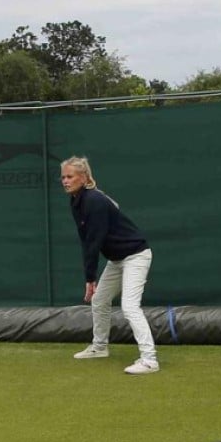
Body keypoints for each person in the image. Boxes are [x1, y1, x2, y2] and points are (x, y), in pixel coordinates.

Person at [60, 156, 159, 375]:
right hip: (117, 260)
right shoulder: (76, 201)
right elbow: (86, 240)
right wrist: (91, 278)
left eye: (70, 176)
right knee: (100, 300)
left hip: (136, 255)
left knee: (130, 307)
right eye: (63, 177)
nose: (65, 181)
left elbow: (94, 241)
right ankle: (100, 347)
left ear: (84, 178)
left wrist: (90, 278)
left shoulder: (93, 200)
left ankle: (149, 359)